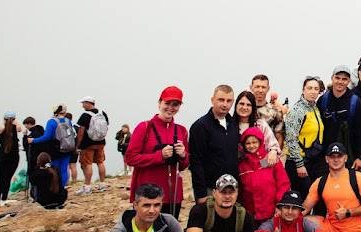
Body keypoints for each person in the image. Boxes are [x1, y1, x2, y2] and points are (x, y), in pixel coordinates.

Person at [125, 86, 190, 218]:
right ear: (159, 103)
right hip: (147, 197)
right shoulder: (144, 127)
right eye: (167, 103)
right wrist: (159, 156)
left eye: (175, 104)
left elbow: (184, 165)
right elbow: (130, 158)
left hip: (173, 196)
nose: (171, 108)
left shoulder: (181, 130)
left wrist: (183, 155)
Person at [188, 85, 239, 206]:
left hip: (231, 188)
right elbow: (196, 162)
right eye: (221, 100)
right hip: (210, 189)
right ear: (212, 100)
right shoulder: (200, 126)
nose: (225, 104)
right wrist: (201, 194)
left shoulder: (233, 125)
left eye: (229, 101)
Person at [318, 65, 361, 172]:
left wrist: (360, 156)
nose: (340, 82)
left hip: (349, 156)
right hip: (326, 157)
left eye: (344, 79)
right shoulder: (323, 100)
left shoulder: (355, 102)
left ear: (349, 81)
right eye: (337, 78)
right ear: (332, 78)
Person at [238, 127, 290, 223]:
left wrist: (280, 205)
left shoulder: (270, 160)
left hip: (271, 213)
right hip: (250, 215)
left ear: (261, 142)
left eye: (254, 142)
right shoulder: (242, 166)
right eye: (248, 143)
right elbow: (241, 191)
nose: (251, 146)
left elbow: (283, 184)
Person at [284, 77, 326, 192]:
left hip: (312, 160)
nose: (313, 91)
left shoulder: (315, 108)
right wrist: (299, 164)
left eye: (316, 89)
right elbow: (290, 139)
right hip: (298, 163)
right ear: (303, 90)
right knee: (302, 199)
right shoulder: (297, 110)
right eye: (310, 88)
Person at [32, 105, 76, 188]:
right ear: (64, 112)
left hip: (55, 148)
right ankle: (62, 187)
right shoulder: (68, 121)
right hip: (67, 147)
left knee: (54, 168)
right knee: (64, 169)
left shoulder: (51, 121)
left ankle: (54, 187)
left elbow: (47, 137)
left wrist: (34, 140)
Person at [233, 90, 279, 167]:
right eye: (241, 104)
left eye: (248, 105)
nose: (244, 107)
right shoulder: (229, 125)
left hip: (259, 170)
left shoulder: (260, 125)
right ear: (236, 105)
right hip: (237, 171)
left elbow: (273, 146)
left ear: (253, 107)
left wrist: (262, 164)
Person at [75, 96, 110, 195]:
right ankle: (102, 183)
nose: (82, 105)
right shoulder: (102, 113)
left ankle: (87, 186)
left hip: (88, 144)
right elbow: (106, 127)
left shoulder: (85, 115)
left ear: (88, 103)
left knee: (87, 164)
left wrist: (78, 145)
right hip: (100, 142)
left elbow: (81, 131)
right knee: (100, 162)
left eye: (83, 103)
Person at [250, 74, 288, 149]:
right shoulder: (245, 109)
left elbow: (279, 137)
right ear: (251, 88)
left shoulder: (275, 112)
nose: (260, 90)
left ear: (268, 88)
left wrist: (276, 156)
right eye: (257, 87)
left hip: (267, 155)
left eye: (263, 87)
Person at [0, 111, 20, 205]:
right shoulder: (15, 127)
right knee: (8, 177)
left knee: (2, 177)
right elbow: (20, 128)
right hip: (14, 156)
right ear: (14, 119)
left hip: (2, 155)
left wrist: (5, 122)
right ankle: (4, 198)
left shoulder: (1, 127)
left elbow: (0, 130)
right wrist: (14, 122)